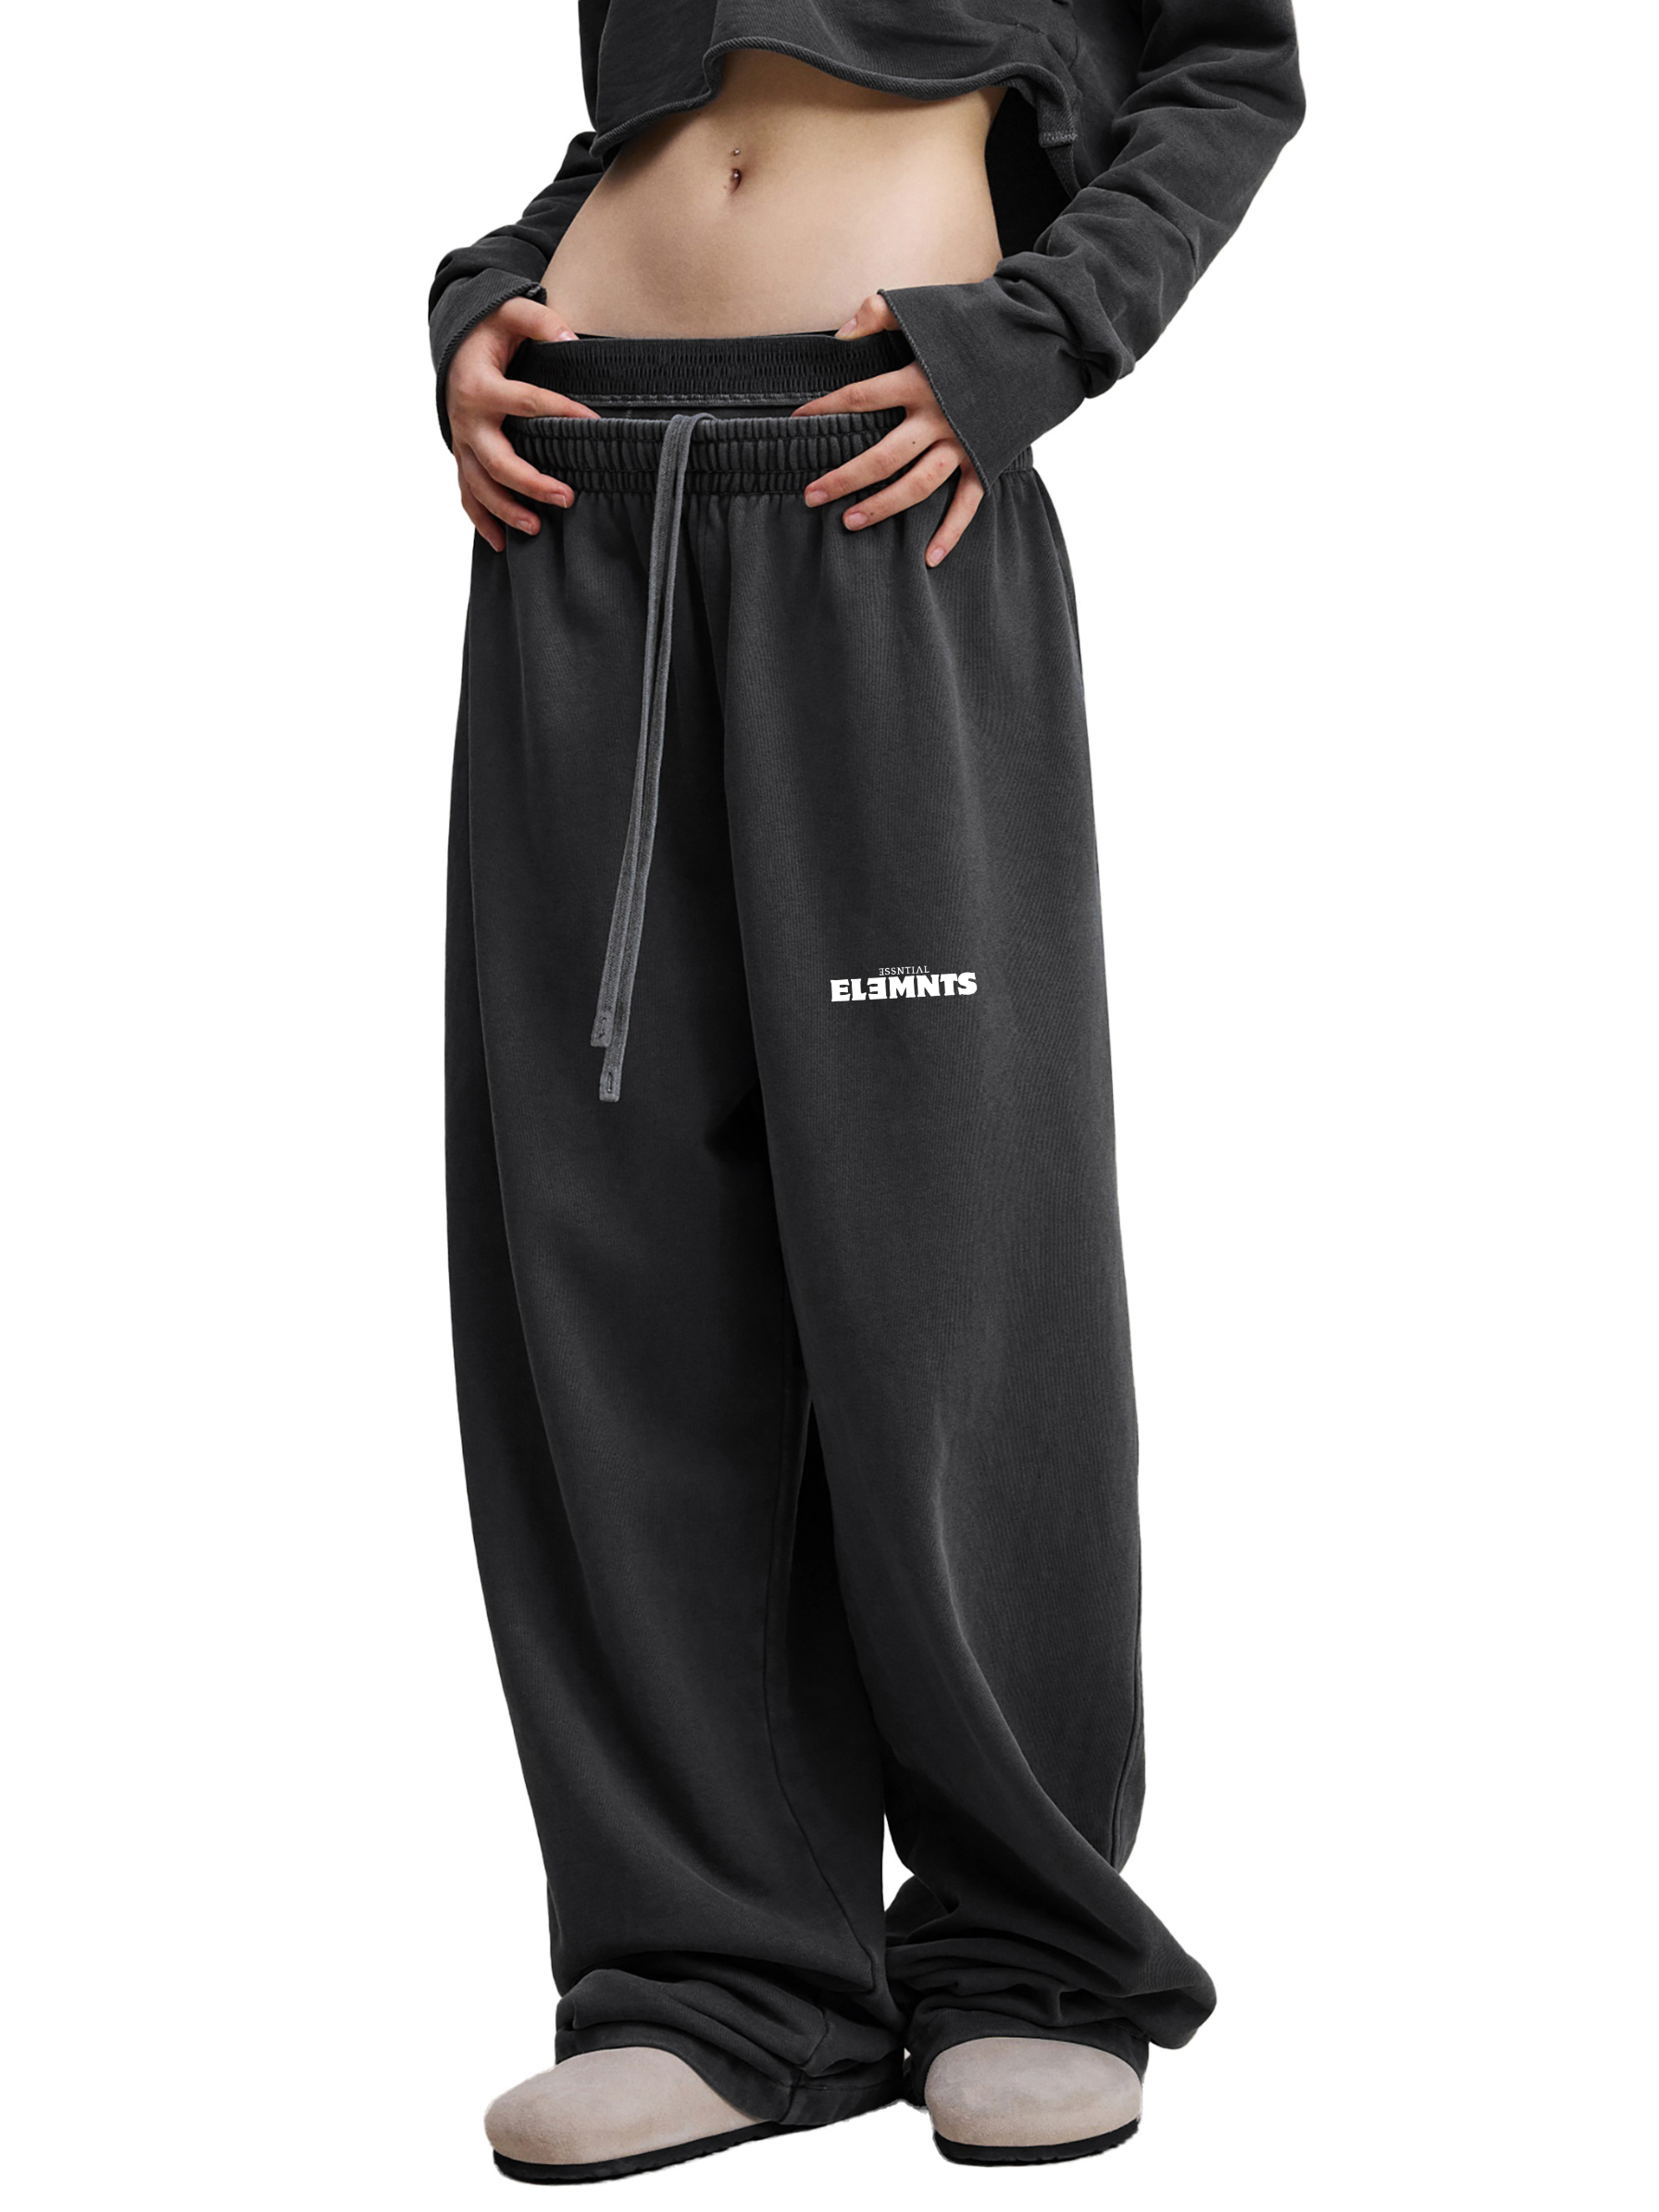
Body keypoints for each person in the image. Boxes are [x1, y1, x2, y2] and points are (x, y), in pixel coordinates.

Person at [430, 2, 1302, 2182]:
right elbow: (669, 126)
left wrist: (1045, 332)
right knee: (610, 1270)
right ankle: (715, 1973)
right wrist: (493, 291)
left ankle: (1025, 1952)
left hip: (871, 501)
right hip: (575, 515)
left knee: (947, 1255)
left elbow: (1224, 66)